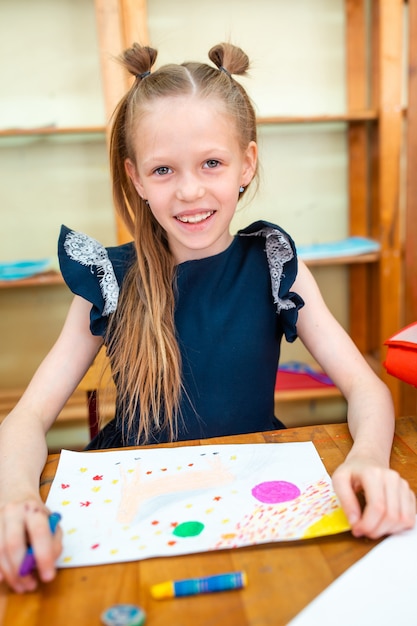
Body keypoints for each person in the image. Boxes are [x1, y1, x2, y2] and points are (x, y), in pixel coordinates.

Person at [0, 42, 415, 594]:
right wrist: (16, 498)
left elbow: (368, 390)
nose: (190, 190)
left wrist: (366, 459)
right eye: (163, 169)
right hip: (135, 512)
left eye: (212, 163)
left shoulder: (274, 262)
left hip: (254, 502)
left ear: (247, 163)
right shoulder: (108, 279)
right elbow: (25, 420)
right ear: (137, 179)